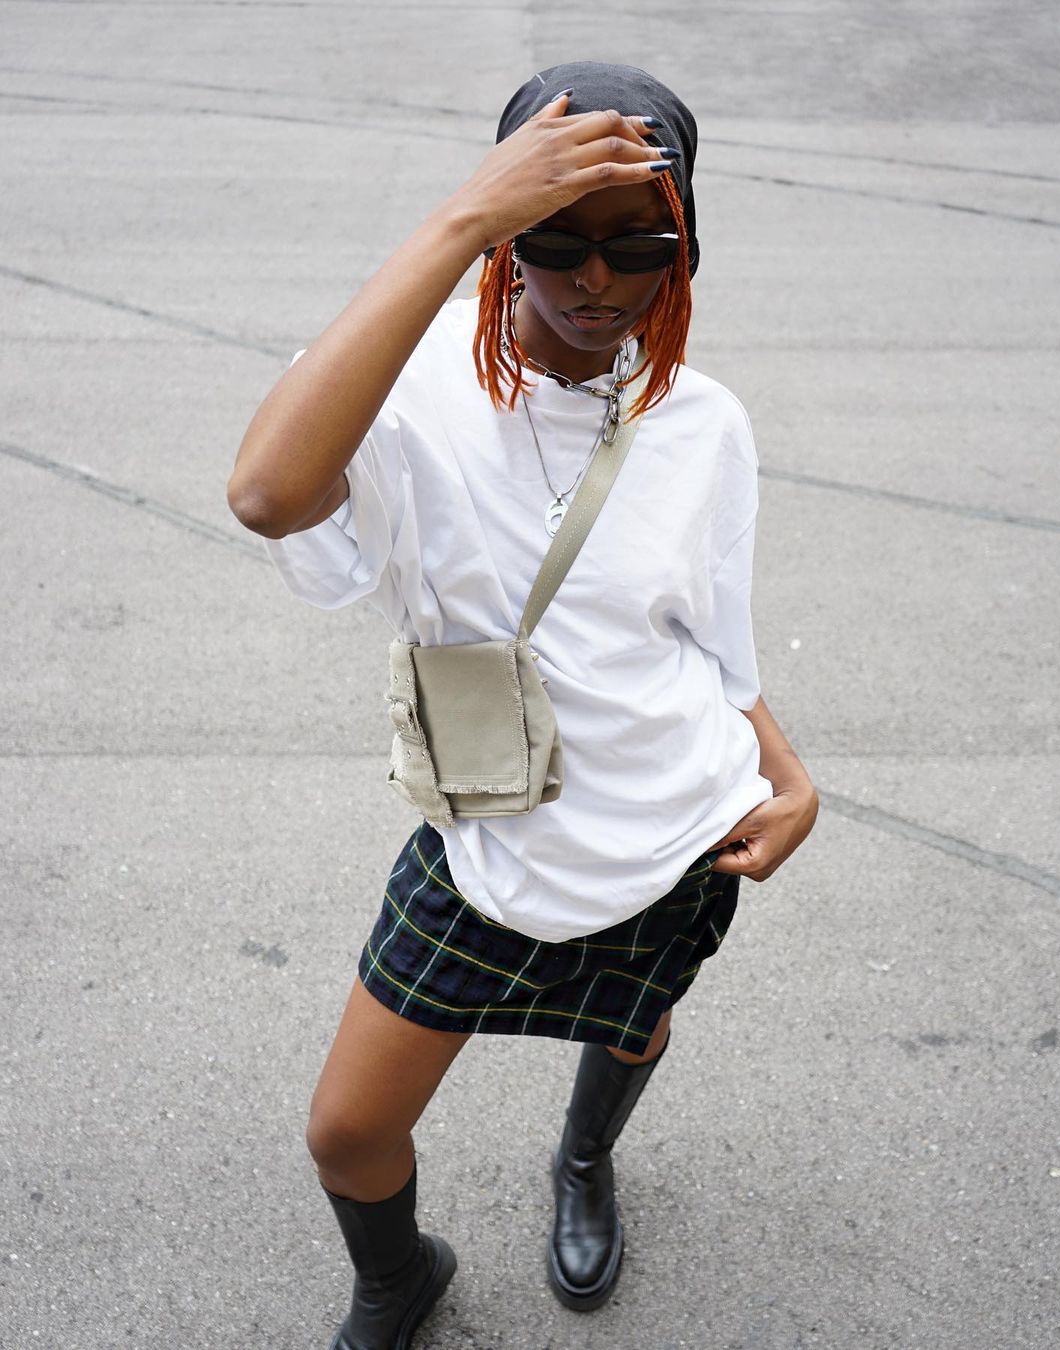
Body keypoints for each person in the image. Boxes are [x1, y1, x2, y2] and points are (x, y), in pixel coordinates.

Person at [228, 60, 818, 1350]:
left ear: (684, 248)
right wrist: (462, 219)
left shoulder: (705, 423)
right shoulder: (409, 386)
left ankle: (585, 1160)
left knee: (634, 1021)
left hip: (671, 824)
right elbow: (269, 495)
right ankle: (396, 1278)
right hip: (489, 831)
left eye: (637, 246)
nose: (595, 280)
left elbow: (710, 636)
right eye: (554, 239)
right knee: (350, 1128)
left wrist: (790, 776)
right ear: (504, 231)